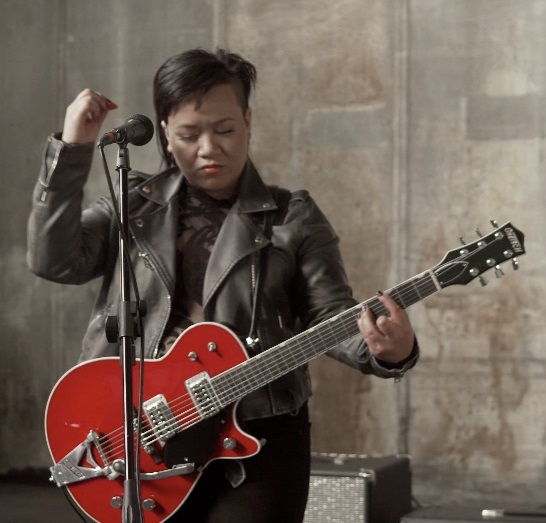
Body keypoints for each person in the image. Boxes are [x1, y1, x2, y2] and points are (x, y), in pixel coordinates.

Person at [27, 48, 419, 523]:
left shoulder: (293, 217)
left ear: (248, 121)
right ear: (165, 133)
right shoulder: (130, 206)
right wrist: (72, 150)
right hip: (141, 436)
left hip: (258, 436)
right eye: (189, 134)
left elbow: (328, 313)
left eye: (225, 129)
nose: (209, 148)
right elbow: (53, 260)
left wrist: (387, 351)